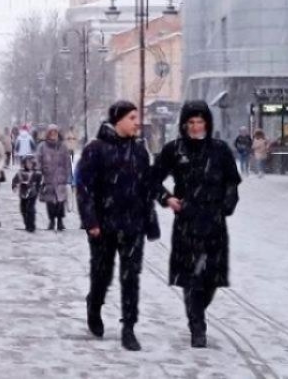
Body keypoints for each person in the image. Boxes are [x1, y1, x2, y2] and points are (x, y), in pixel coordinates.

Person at [151, 101, 242, 349]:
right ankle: (197, 326)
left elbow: (232, 182)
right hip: (187, 223)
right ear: (184, 124)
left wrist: (227, 204)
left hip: (214, 223)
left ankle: (197, 309)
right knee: (192, 278)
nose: (195, 127)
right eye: (190, 122)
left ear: (207, 123)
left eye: (200, 122)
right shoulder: (174, 150)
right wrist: (167, 198)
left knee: (211, 279)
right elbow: (152, 179)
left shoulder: (220, 150)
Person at [76, 101, 154, 352]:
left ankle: (128, 327)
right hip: (104, 226)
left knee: (131, 277)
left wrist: (153, 214)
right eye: (132, 118)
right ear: (118, 120)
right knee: (103, 274)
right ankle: (94, 305)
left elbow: (147, 186)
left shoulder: (139, 150)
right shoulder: (95, 149)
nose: (136, 122)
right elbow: (84, 188)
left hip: (133, 226)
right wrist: (91, 221)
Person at [36, 124, 72, 231]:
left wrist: (68, 176)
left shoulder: (63, 146)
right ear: (48, 134)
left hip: (61, 177)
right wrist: (39, 172)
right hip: (48, 177)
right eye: (51, 133)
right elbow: (38, 160)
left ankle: (60, 221)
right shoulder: (42, 146)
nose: (53, 135)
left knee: (61, 201)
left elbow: (67, 162)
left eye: (55, 133)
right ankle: (51, 220)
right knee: (50, 202)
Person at [11, 156, 44, 232]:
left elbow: (40, 183)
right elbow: (15, 180)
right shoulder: (20, 173)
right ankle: (27, 223)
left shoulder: (37, 173)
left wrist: (39, 190)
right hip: (23, 193)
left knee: (30, 208)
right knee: (23, 209)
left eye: (31, 163)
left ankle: (31, 225)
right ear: (24, 163)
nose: (29, 165)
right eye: (27, 163)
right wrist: (14, 187)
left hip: (32, 193)